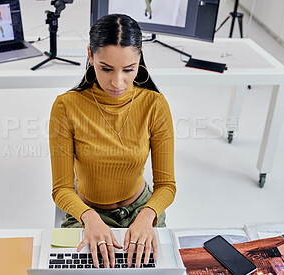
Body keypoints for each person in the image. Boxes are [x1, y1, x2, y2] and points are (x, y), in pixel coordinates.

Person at [49, 14, 175, 269]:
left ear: (140, 58)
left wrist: (147, 215)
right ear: (90, 55)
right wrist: (89, 218)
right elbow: (61, 189)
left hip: (142, 209)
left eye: (129, 70)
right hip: (86, 213)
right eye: (106, 68)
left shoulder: (154, 104)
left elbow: (167, 186)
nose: (118, 82)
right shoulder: (66, 106)